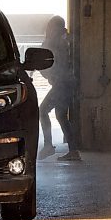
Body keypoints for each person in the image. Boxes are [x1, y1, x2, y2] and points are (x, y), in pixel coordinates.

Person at [37, 16, 81, 161]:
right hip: (67, 84)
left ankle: (49, 145)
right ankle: (73, 150)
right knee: (61, 116)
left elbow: (49, 64)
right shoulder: (65, 41)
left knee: (42, 110)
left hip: (62, 84)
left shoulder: (56, 43)